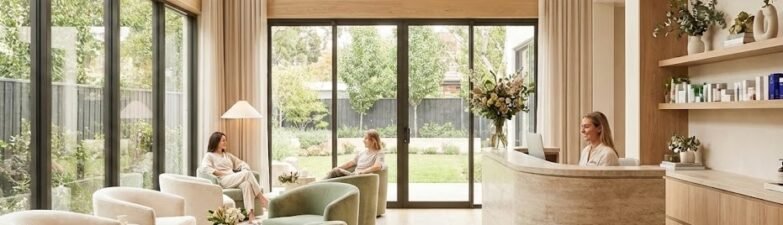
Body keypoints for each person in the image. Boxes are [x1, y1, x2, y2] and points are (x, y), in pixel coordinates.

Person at [201, 132, 268, 223]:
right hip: (223, 180)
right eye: (223, 140)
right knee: (247, 174)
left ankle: (251, 216)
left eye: (225, 140)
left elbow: (242, 163)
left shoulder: (228, 155)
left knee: (247, 184)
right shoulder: (209, 155)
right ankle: (262, 198)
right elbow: (205, 168)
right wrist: (220, 173)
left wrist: (243, 169)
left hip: (233, 178)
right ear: (216, 142)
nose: (225, 142)